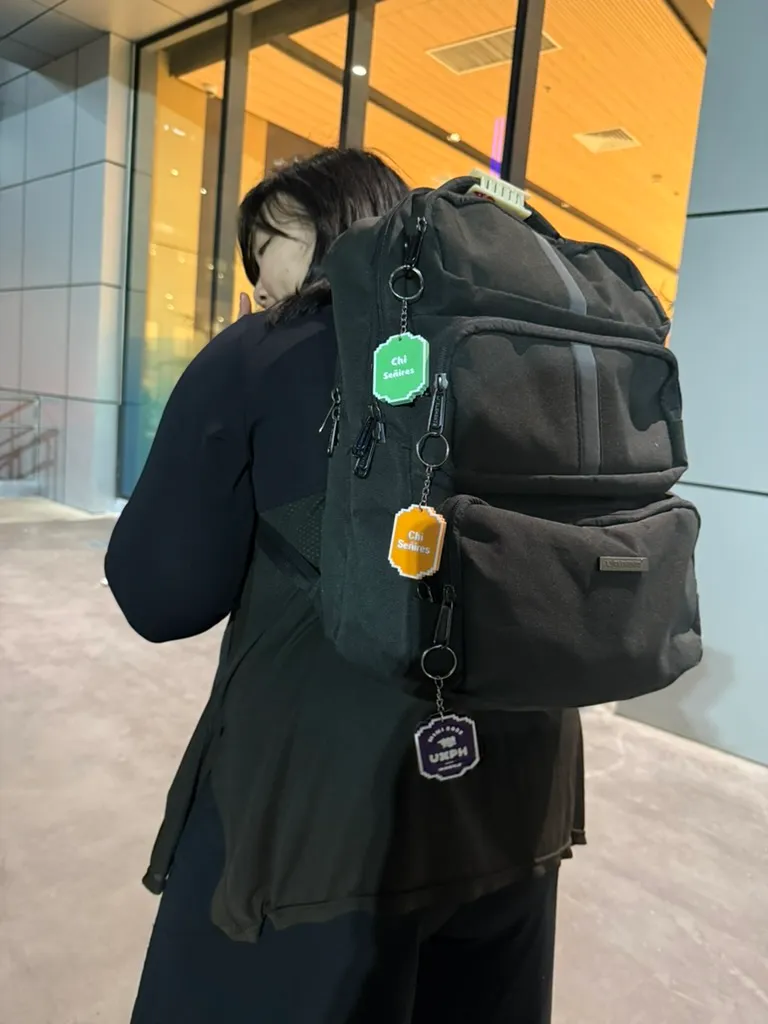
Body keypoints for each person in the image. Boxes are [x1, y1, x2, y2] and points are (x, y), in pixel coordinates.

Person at [105, 147, 585, 1024]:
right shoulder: (520, 354)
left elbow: (159, 594)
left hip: (314, 821)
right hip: (520, 799)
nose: (258, 279)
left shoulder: (266, 351)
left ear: (334, 232)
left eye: (271, 244)